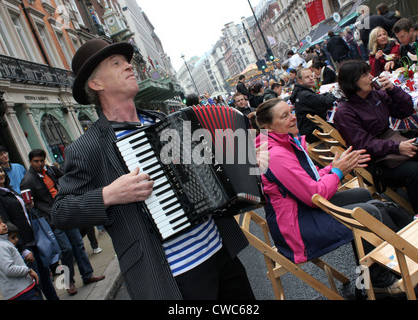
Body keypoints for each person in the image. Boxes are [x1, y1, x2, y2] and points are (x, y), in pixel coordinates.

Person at [50, 39, 262, 300]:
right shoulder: (88, 147)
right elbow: (60, 212)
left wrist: (245, 158)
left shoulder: (164, 121)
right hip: (178, 274)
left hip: (220, 250)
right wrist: (108, 195)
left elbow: (207, 172)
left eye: (126, 61)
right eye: (116, 63)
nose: (129, 66)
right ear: (96, 84)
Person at [254, 98, 408, 297]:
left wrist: (335, 167)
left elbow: (308, 180)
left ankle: (374, 277)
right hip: (297, 230)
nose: (293, 118)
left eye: (291, 112)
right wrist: (338, 171)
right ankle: (378, 281)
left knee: (364, 198)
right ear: (268, 127)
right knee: (369, 213)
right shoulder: (275, 154)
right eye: (285, 116)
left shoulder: (282, 142)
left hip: (302, 211)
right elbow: (313, 195)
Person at [334, 60, 418, 216]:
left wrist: (393, 90)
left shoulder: (374, 94)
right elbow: (364, 144)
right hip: (374, 160)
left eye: (369, 72)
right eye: (365, 74)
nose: (371, 77)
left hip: (392, 143)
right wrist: (396, 147)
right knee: (416, 171)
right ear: (352, 82)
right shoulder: (344, 112)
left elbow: (405, 111)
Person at [20, 149, 105, 296]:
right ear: (30, 162)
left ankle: (87, 275)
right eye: (36, 161)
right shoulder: (27, 180)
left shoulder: (51, 171)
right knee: (66, 250)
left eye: (41, 160)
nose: (39, 164)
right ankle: (69, 282)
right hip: (52, 221)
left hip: (66, 213)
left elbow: (65, 180)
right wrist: (45, 217)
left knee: (78, 244)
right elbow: (31, 208)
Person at [0, 159, 59, 300]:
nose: (0, 174)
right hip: (24, 244)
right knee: (35, 281)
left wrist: (28, 205)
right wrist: (22, 248)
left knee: (45, 277)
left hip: (33, 238)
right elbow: (6, 225)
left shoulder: (8, 189)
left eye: (1, 170)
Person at [0, 213, 41, 300]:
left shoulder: (0, 244)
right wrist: (28, 270)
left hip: (20, 290)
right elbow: (9, 269)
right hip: (21, 291)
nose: (3, 225)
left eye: (2, 222)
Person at [289, 68, 337, 143]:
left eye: (311, 76)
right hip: (314, 132)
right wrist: (332, 94)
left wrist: (327, 94)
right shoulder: (304, 95)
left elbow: (319, 99)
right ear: (300, 81)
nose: (311, 78)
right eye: (307, 77)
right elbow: (326, 102)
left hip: (310, 130)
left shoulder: (301, 92)